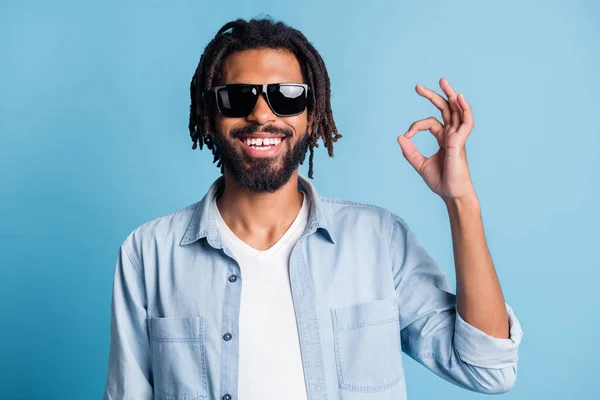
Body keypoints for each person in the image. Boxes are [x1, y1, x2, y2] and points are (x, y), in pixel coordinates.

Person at [103, 16, 523, 400]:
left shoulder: (379, 241)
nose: (262, 114)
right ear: (209, 115)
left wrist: (461, 202)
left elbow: (487, 369)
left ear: (312, 114)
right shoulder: (148, 253)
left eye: (286, 97)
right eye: (236, 97)